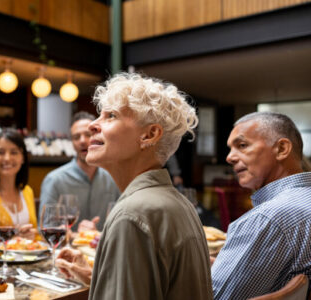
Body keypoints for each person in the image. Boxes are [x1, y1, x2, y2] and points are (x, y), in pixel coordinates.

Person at [55, 73, 212, 299]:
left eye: (111, 115)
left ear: (149, 135)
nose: (92, 125)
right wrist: (98, 277)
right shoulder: (178, 203)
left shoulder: (132, 214)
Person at [211, 112, 311, 299]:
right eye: (230, 148)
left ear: (282, 149)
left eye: (242, 145)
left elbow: (217, 297)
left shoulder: (268, 218)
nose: (229, 157)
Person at [39, 111, 120, 231]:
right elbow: (45, 228)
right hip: (67, 248)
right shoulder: (54, 180)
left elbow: (121, 224)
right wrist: (77, 236)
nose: (82, 141)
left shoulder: (114, 178)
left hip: (104, 248)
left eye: (88, 134)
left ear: (99, 136)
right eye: (76, 137)